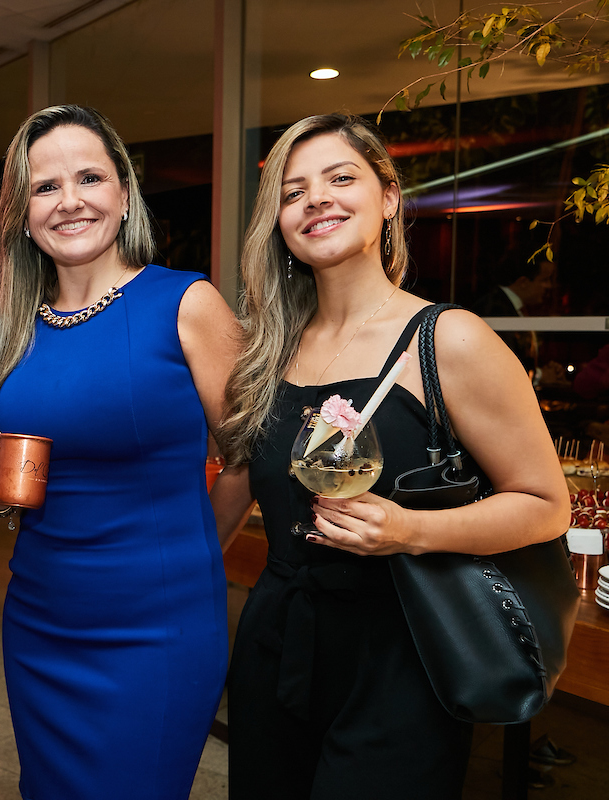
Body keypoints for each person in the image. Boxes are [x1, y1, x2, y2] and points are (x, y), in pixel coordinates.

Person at [214, 113, 569, 799]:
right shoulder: (268, 355)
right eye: (293, 191)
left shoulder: (447, 339)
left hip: (401, 656)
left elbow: (546, 505)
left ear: (388, 199)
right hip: (275, 646)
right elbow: (237, 483)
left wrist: (412, 530)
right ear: (278, 221)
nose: (317, 198)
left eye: (340, 178)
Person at [0, 104, 242, 800]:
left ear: (123, 193)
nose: (70, 200)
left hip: (156, 627)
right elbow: (20, 475)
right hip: (40, 621)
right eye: (45, 186)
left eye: (89, 177)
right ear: (21, 213)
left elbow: (247, 459)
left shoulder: (187, 303)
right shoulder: (17, 333)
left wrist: (191, 556)